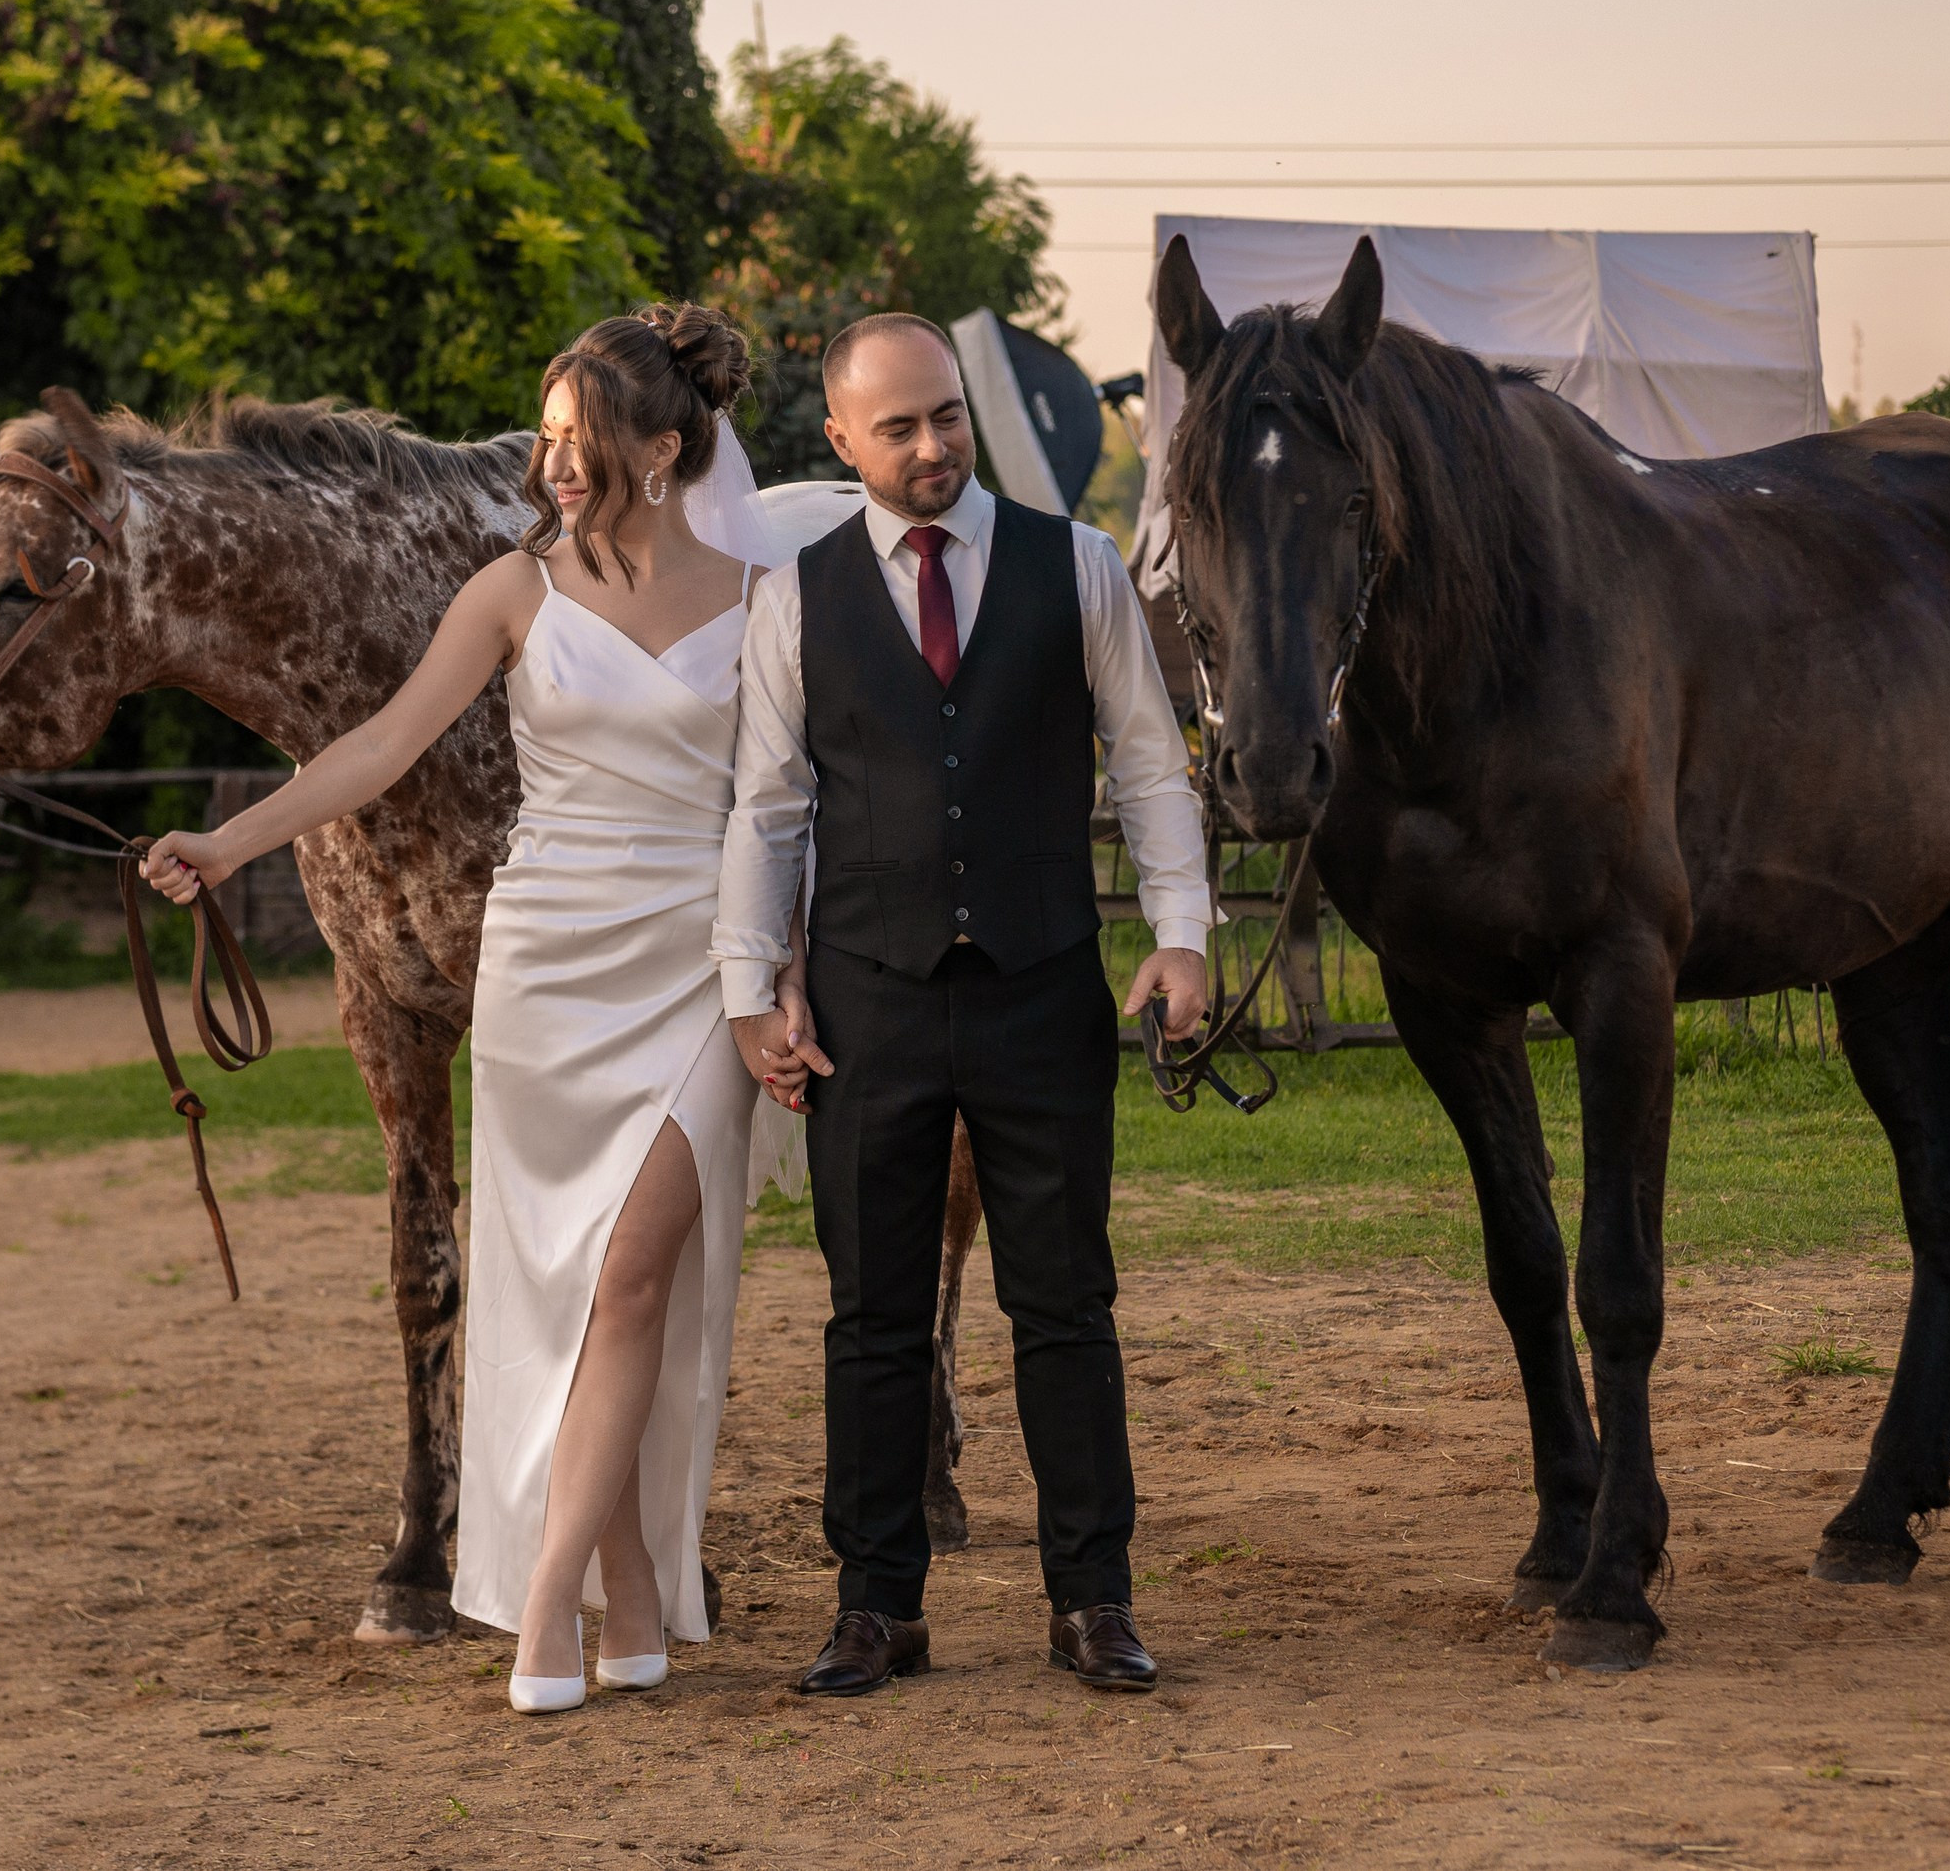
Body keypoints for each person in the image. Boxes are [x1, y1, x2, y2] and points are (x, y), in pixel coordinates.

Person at [142, 304, 804, 1716]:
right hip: (546, 967)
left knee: (630, 1279)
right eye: (550, 437)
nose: (556, 464)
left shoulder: (763, 602)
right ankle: (631, 1596)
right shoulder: (512, 592)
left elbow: (781, 809)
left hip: (696, 971)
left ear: (668, 447)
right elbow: (379, 742)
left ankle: (542, 1604)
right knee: (569, 1299)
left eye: (585, 440)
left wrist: (779, 973)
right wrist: (229, 845)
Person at [712, 313, 1214, 1696]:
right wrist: (753, 987)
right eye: (898, 428)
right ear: (841, 441)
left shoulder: (1081, 564)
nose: (932, 446)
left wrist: (1180, 936)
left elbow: (1154, 767)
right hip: (868, 1000)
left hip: (1045, 987)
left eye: (946, 417)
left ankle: (1092, 1596)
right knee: (871, 1313)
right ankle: (877, 1602)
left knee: (1064, 1303)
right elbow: (769, 802)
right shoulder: (795, 596)